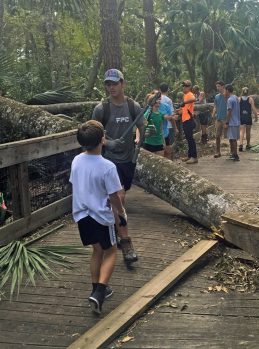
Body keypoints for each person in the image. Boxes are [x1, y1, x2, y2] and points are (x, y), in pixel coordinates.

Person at [70, 120, 125, 314]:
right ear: (103, 139)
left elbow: (76, 184)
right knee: (111, 251)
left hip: (81, 215)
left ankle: (96, 289)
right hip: (101, 216)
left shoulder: (76, 160)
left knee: (96, 251)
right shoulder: (107, 166)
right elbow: (114, 196)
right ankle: (100, 292)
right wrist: (121, 214)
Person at [92, 69, 142, 263]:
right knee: (118, 198)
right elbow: (93, 133)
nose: (111, 87)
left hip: (127, 160)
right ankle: (126, 241)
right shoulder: (101, 108)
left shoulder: (133, 106)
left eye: (114, 83)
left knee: (120, 198)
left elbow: (142, 127)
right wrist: (107, 143)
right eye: (108, 84)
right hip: (108, 161)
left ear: (123, 83)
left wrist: (136, 151)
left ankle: (114, 231)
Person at [178, 80, 198, 164]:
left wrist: (184, 102)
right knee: (188, 138)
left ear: (189, 87)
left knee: (190, 139)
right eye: (183, 86)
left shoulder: (190, 94)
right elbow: (185, 108)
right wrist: (177, 111)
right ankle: (189, 155)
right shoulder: (185, 95)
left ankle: (194, 157)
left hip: (189, 120)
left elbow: (194, 99)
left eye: (186, 86)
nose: (184, 88)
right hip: (185, 119)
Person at [159, 83, 177, 159]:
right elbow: (172, 115)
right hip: (168, 126)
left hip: (158, 127)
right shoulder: (168, 100)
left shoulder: (154, 98)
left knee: (161, 147)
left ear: (159, 89)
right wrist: (175, 128)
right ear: (168, 90)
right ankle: (170, 162)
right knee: (169, 147)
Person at [224, 84, 240, 161]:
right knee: (232, 139)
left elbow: (229, 111)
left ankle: (235, 155)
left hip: (232, 122)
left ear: (227, 90)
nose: (224, 92)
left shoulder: (230, 100)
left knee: (233, 139)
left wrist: (226, 122)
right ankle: (233, 154)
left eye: (225, 90)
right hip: (237, 121)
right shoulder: (236, 97)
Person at [238, 87, 258, 151]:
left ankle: (241, 144)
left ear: (242, 92)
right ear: (248, 92)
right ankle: (248, 144)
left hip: (241, 117)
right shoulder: (250, 99)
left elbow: (237, 109)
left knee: (241, 131)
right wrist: (256, 116)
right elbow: (253, 108)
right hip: (248, 117)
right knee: (248, 132)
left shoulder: (239, 99)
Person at [212, 81, 227, 158]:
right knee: (217, 135)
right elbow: (215, 106)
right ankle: (218, 151)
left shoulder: (227, 96)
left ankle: (232, 152)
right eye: (217, 86)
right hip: (218, 118)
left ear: (223, 86)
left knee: (230, 136)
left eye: (219, 86)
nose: (217, 88)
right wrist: (213, 113)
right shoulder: (217, 96)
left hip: (226, 118)